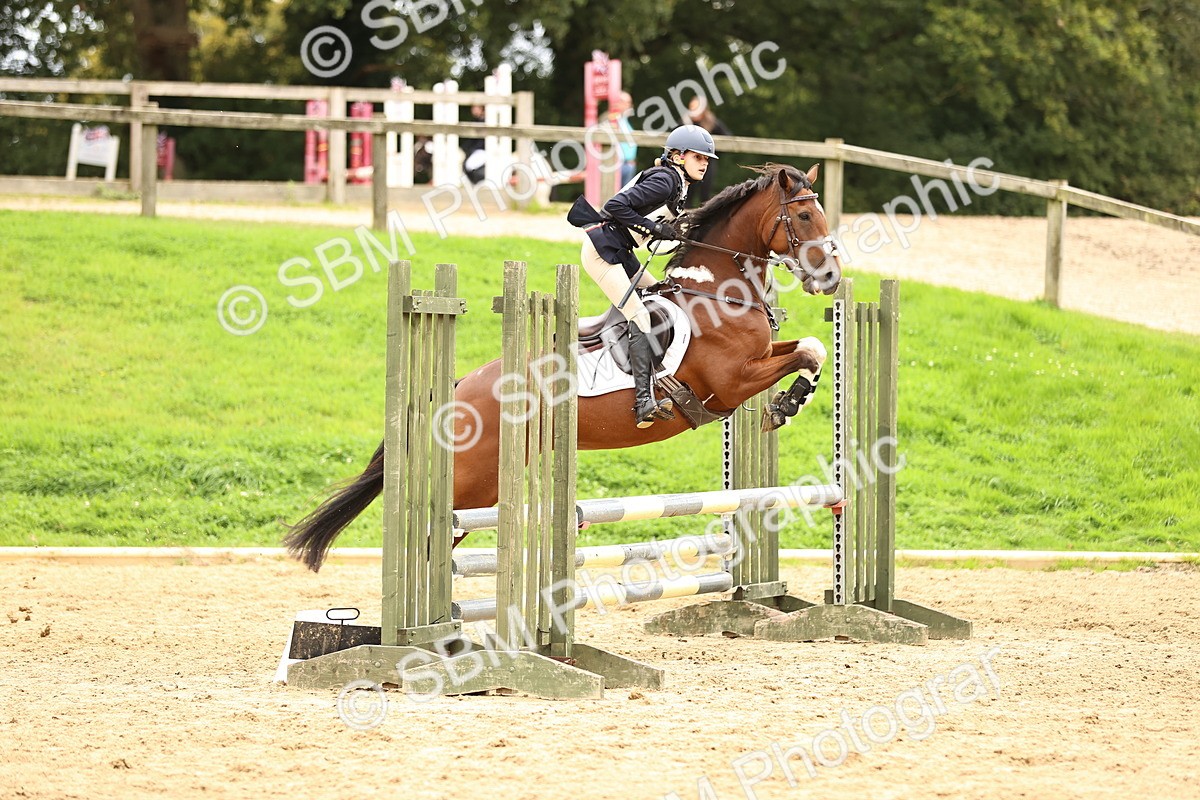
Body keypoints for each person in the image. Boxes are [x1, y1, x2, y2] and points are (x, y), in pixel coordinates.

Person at [577, 124, 718, 428]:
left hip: (621, 251)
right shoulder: (666, 181)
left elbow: (647, 224)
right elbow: (614, 206)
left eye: (707, 159)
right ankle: (643, 402)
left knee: (661, 291)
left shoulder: (677, 183)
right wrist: (655, 229)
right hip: (603, 252)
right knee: (640, 316)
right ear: (679, 157)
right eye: (699, 157)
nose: (704, 163)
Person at [685, 96, 732, 206]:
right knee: (687, 192)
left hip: (707, 163)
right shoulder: (686, 122)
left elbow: (727, 139)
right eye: (691, 108)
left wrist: (712, 153)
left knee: (705, 193)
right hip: (689, 163)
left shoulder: (712, 122)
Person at [608, 91, 638, 187]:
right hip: (616, 164)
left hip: (628, 164)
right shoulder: (611, 119)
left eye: (629, 103)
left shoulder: (625, 121)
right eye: (624, 102)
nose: (628, 105)